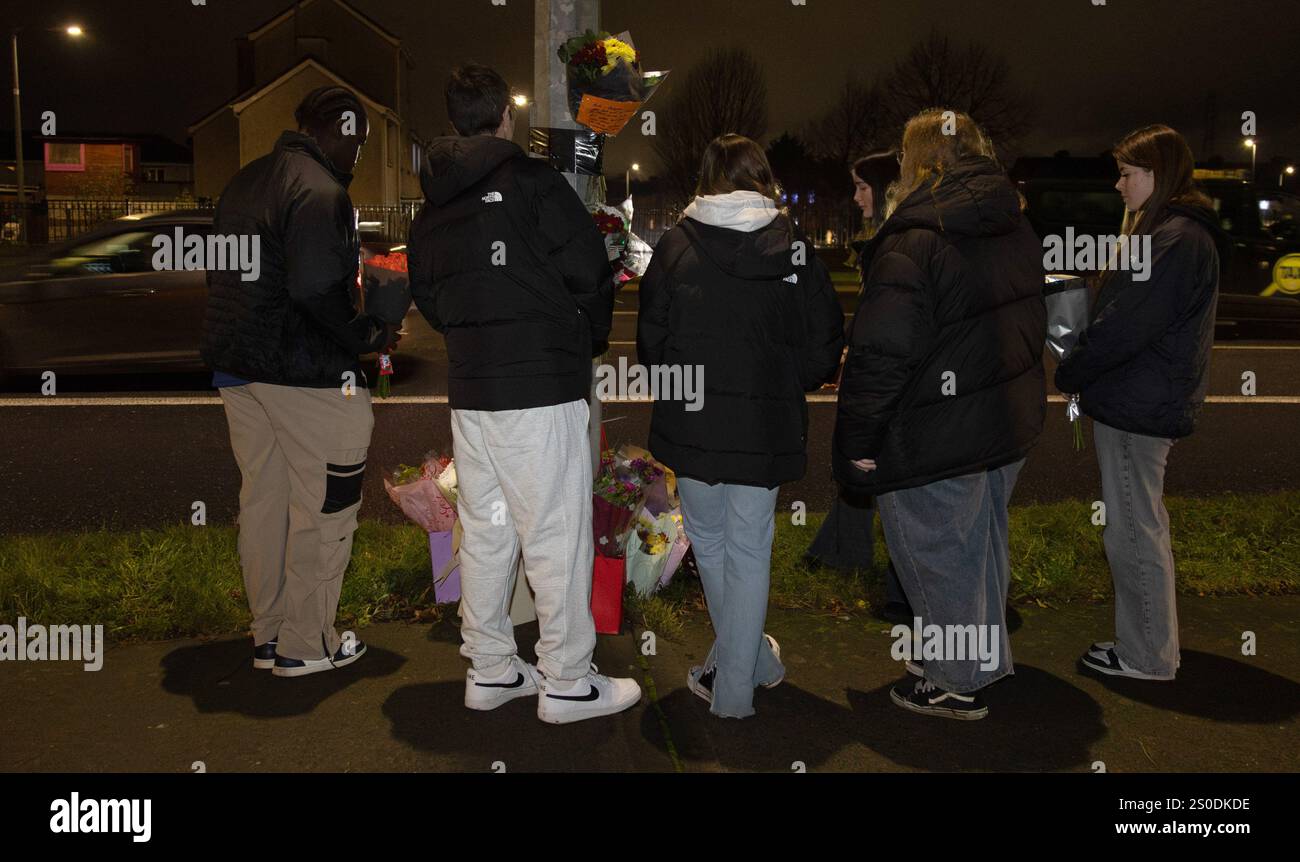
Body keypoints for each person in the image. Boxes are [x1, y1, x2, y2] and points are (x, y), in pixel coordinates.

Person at [408, 64, 640, 724]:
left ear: (455, 121)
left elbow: (430, 296)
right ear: (503, 118)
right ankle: (566, 680)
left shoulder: (435, 205)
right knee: (554, 533)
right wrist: (584, 337)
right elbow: (588, 270)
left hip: (473, 390)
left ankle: (489, 669)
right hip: (539, 385)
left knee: (485, 532)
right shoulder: (531, 184)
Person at [833, 109, 1046, 720]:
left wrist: (857, 440)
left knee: (938, 554)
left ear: (918, 163)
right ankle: (979, 659)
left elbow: (881, 355)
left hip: (936, 427)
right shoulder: (1013, 226)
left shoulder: (915, 237)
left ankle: (955, 680)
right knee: (979, 550)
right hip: (1001, 421)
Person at [638, 134, 844, 718]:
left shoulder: (677, 244)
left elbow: (652, 343)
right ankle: (746, 673)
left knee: (711, 544)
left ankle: (736, 679)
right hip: (763, 424)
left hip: (694, 424)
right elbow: (825, 339)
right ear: (761, 177)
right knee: (750, 549)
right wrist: (787, 378)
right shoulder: (794, 247)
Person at [202, 86, 400, 677]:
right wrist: (370, 334)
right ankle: (306, 644)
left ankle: (268, 636)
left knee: (265, 502)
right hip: (306, 374)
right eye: (357, 141)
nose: (358, 155)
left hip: (240, 368)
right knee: (326, 509)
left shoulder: (245, 180)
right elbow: (315, 289)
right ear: (334, 129)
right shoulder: (320, 190)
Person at [1056, 124, 1223, 681]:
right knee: (1137, 524)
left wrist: (1073, 369)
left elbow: (1125, 327)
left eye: (1128, 173)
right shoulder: (1173, 234)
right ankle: (1148, 644)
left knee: (1132, 529)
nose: (1119, 183)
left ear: (1158, 174)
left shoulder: (1173, 240)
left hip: (1137, 406)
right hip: (1141, 400)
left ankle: (1147, 655)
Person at [804, 150, 913, 624]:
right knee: (871, 478)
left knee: (888, 479)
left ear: (887, 190)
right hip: (887, 380)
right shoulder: (889, 242)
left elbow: (892, 333)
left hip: (896, 389)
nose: (855, 197)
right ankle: (844, 551)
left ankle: (903, 591)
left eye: (863, 187)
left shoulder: (900, 245)